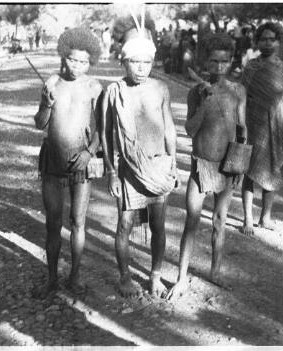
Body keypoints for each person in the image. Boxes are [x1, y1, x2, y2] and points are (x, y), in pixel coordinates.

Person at [101, 16, 178, 298]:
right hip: (128, 170)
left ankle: (155, 276)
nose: (141, 68)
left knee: (158, 225)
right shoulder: (114, 92)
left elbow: (169, 127)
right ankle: (124, 277)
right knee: (125, 223)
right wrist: (111, 171)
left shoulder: (160, 88)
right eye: (135, 62)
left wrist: (174, 162)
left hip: (158, 165)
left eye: (146, 62)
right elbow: (107, 134)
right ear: (123, 61)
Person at [166, 33, 247, 300]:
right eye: (214, 61)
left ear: (232, 61)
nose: (219, 67)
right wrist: (204, 103)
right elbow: (189, 129)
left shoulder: (238, 91)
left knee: (220, 221)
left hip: (226, 165)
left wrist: (240, 166)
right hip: (200, 167)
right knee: (191, 220)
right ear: (206, 62)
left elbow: (242, 129)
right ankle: (181, 278)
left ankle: (215, 271)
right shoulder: (196, 92)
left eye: (224, 61)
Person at [33, 27, 103, 298]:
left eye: (83, 62)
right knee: (53, 222)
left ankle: (74, 277)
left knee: (77, 222)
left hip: (81, 162)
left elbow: (102, 128)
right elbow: (40, 123)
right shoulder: (51, 83)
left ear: (90, 62)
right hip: (52, 161)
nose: (77, 66)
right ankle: (51, 278)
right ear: (64, 56)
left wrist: (91, 152)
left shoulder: (93, 87)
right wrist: (46, 104)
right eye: (73, 59)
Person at [240, 22, 283, 236]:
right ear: (257, 41)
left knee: (273, 168)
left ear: (278, 41)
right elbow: (242, 97)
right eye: (263, 39)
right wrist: (241, 125)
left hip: (277, 128)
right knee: (249, 172)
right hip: (253, 126)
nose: (267, 43)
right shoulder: (251, 67)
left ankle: (265, 216)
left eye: (271, 39)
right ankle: (247, 218)